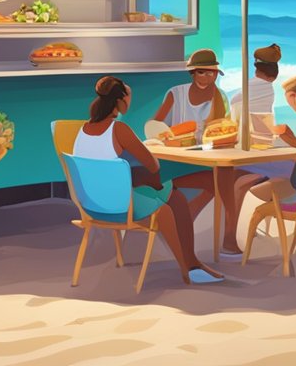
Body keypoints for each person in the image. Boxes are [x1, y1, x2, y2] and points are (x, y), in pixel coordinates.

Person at [74, 76, 223, 284]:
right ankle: (190, 266)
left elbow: (104, 170)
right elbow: (153, 165)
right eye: (129, 98)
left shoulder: (82, 131)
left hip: (93, 204)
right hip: (120, 207)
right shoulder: (119, 129)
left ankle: (192, 265)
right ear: (120, 101)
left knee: (170, 194)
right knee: (172, 198)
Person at [222, 76, 296, 247]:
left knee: (242, 172)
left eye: (289, 102)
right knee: (245, 175)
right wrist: (289, 137)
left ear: (294, 97)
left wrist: (294, 144)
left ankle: (229, 239)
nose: (292, 108)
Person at [150, 49, 229, 232]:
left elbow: (219, 130)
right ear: (193, 73)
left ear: (216, 74)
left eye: (210, 73)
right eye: (201, 72)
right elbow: (156, 126)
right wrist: (167, 137)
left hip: (204, 157)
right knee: (217, 182)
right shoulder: (176, 93)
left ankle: (191, 214)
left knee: (222, 180)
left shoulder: (220, 97)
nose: (206, 77)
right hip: (174, 159)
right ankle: (183, 217)